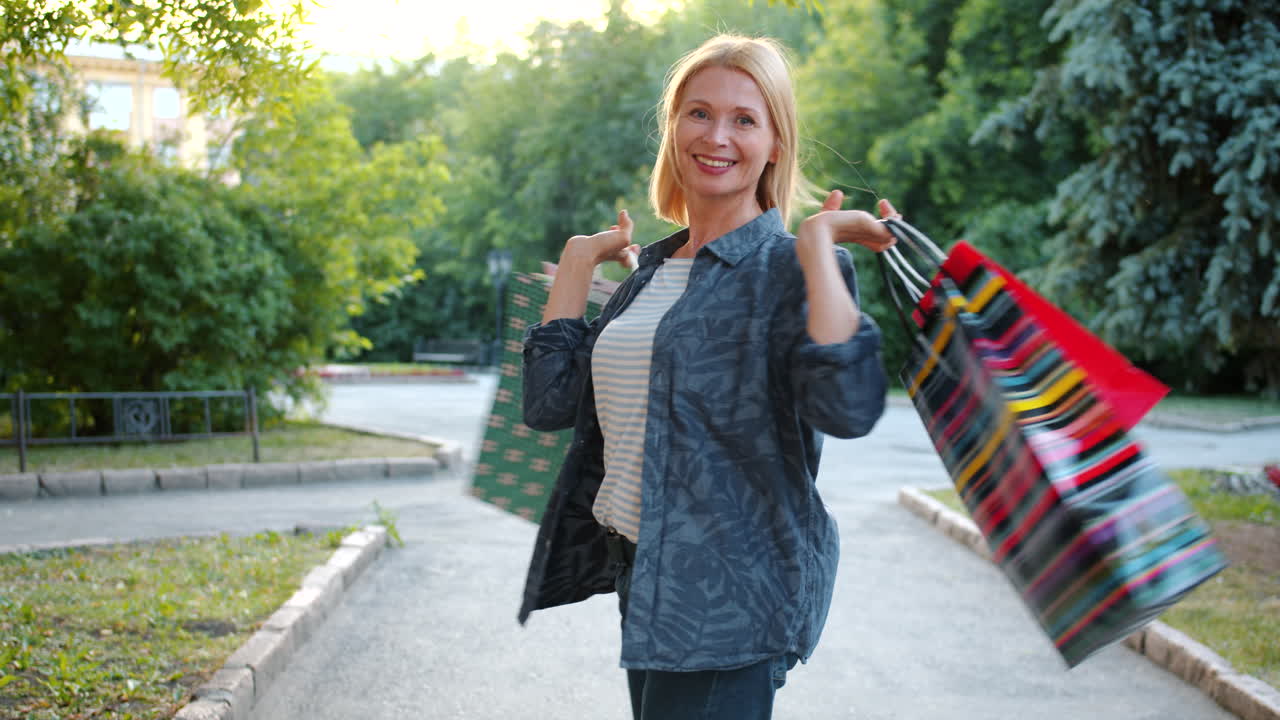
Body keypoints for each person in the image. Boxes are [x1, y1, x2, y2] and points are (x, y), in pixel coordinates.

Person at [518, 34, 898, 720]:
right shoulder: (651, 278)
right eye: (698, 113)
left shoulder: (791, 269)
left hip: (732, 598)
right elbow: (549, 405)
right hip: (644, 576)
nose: (716, 134)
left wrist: (815, 244)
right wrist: (578, 264)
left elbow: (847, 407)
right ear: (674, 127)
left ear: (776, 143)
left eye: (744, 119)